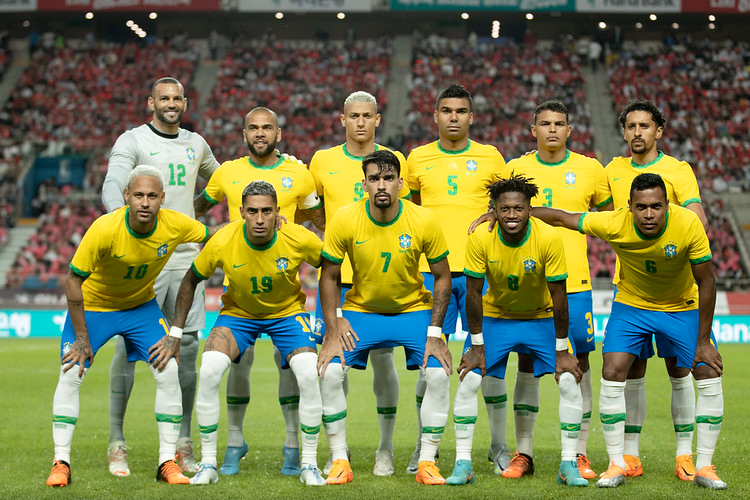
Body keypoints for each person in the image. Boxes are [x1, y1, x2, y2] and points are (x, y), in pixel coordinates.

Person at [533, 173, 726, 490]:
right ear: (629, 207)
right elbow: (560, 217)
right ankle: (616, 463)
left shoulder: (688, 224)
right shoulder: (613, 223)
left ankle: (705, 465)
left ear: (667, 205)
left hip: (681, 306)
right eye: (641, 207)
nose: (649, 214)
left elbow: (708, 281)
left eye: (656, 206)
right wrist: (505, 212)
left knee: (707, 370)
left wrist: (703, 342)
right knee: (612, 369)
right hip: (632, 306)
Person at [46, 166, 223, 487]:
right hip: (96, 307)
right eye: (138, 195)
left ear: (162, 199)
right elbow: (72, 280)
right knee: (71, 371)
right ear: (126, 197)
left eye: (152, 196)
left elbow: (217, 235)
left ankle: (167, 463)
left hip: (140, 308)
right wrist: (82, 338)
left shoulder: (175, 224)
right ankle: (61, 461)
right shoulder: (104, 228)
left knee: (168, 370)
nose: (145, 202)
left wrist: (253, 225)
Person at [470, 100, 611, 479]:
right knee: (528, 364)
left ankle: (579, 454)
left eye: (559, 123)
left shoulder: (591, 169)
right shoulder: (516, 168)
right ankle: (524, 453)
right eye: (545, 123)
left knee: (578, 365)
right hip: (526, 286)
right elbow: (498, 210)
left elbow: (611, 219)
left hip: (575, 282)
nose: (552, 129)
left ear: (570, 129)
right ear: (533, 129)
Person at [194, 106, 324, 477]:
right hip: (240, 295)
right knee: (237, 362)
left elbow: (319, 220)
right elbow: (196, 208)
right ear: (244, 133)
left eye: (267, 127)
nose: (261, 133)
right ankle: (234, 441)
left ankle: (292, 445)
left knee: (291, 367)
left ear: (278, 134)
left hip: (286, 292)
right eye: (253, 127)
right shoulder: (227, 173)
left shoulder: (300, 173)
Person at [101, 77, 220, 475]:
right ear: (150, 101)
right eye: (163, 98)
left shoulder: (196, 143)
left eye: (177, 99)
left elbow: (220, 185)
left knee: (186, 347)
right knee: (128, 348)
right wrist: (117, 221)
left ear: (185, 102)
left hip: (187, 257)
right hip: (146, 260)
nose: (170, 104)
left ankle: (183, 439)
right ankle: (117, 441)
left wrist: (196, 210)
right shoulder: (132, 141)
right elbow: (114, 183)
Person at [175, 180, 327, 486]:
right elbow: (190, 280)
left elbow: (332, 268)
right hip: (238, 315)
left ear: (277, 212)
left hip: (287, 314)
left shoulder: (297, 236)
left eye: (267, 211)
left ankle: (309, 464)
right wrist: (176, 332)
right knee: (209, 371)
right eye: (253, 211)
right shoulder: (223, 240)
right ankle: (207, 464)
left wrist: (330, 318)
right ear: (241, 212)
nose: (260, 219)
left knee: (309, 373)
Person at [317, 150, 453, 485]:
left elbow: (443, 276)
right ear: (363, 184)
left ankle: (426, 462)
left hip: (412, 311)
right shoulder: (345, 219)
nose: (382, 185)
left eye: (389, 178)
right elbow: (329, 276)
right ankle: (339, 460)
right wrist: (334, 326)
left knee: (438, 376)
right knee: (330, 372)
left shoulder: (423, 219)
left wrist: (435, 331)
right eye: (375, 178)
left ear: (401, 184)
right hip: (362, 311)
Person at [445, 174, 585, 486]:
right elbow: (473, 294)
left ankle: (567, 464)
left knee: (568, 382)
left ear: (529, 209)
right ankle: (463, 463)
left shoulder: (548, 238)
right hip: (497, 317)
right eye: (504, 209)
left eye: (519, 209)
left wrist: (562, 350)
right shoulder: (481, 237)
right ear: (493, 210)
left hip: (541, 317)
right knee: (469, 379)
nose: (512, 215)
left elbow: (560, 299)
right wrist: (477, 346)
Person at [405, 83, 508, 474]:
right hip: (434, 277)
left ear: (471, 116)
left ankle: (498, 446)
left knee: (492, 364)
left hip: (483, 274)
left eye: (460, 111)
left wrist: (495, 214)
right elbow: (410, 211)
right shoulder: (417, 159)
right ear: (435, 116)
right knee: (429, 363)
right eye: (446, 110)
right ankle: (423, 447)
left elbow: (510, 203)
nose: (453, 117)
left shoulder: (491, 157)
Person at [308, 90, 410, 476]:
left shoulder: (392, 162)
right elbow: (311, 209)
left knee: (384, 364)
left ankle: (385, 449)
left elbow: (406, 212)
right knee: (333, 366)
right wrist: (337, 236)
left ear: (378, 119)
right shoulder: (323, 161)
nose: (361, 122)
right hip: (336, 283)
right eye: (354, 116)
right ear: (343, 120)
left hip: (380, 281)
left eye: (368, 115)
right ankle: (340, 451)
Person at [606, 99, 708, 481]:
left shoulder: (677, 170)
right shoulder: (612, 171)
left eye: (644, 126)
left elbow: (698, 217)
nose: (636, 133)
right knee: (632, 370)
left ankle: (685, 455)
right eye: (630, 126)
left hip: (675, 291)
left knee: (679, 370)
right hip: (631, 287)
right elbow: (600, 214)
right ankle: (629, 455)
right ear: (624, 131)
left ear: (658, 131)